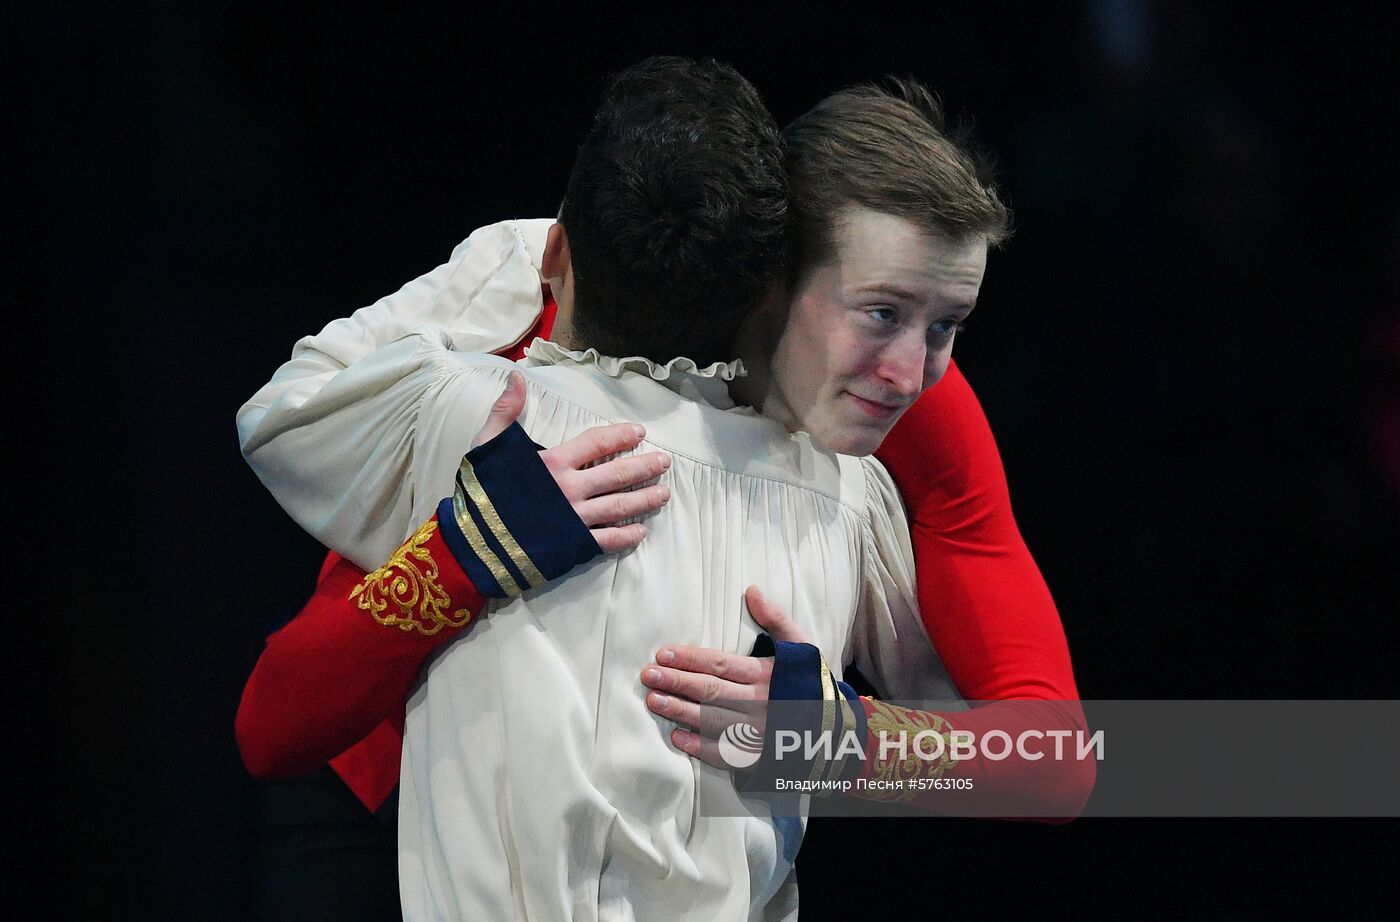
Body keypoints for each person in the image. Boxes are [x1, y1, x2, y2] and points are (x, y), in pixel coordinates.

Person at [238, 61, 1088, 918]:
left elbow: (1055, 763)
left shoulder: (899, 431)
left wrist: (850, 741)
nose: (912, 373)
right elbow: (276, 714)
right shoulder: (530, 321)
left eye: (947, 325)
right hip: (393, 803)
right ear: (770, 276)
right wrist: (467, 552)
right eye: (880, 312)